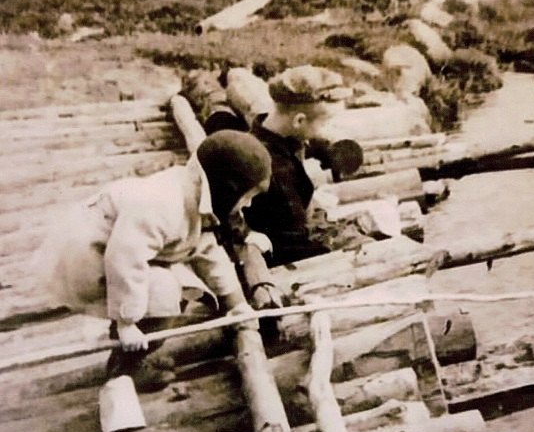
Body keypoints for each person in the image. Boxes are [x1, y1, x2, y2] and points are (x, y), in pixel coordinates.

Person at [38, 130, 271, 389]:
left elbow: (207, 251)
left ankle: (143, 344)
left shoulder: (195, 196)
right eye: (247, 196)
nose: (248, 205)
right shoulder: (165, 204)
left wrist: (237, 304)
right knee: (164, 294)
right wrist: (127, 322)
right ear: (227, 189)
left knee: (176, 289)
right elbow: (125, 258)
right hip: (90, 255)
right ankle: (126, 366)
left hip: (120, 248)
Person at [242, 65, 344, 266]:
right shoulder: (276, 171)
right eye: (325, 123)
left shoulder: (267, 131)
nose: (327, 130)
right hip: (279, 259)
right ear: (299, 120)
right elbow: (296, 245)